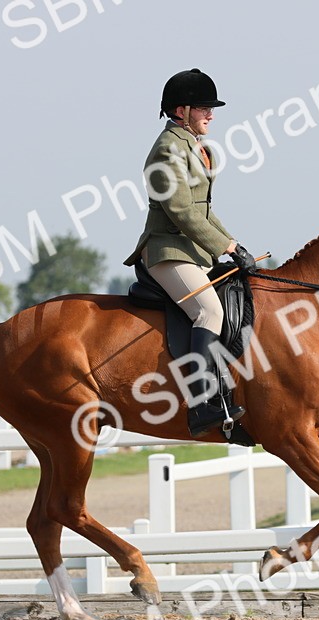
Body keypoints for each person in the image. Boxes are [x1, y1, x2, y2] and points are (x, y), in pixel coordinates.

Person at [124, 68, 256, 437]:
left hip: (194, 251)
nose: (211, 115)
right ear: (181, 111)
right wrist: (224, 246)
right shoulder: (167, 149)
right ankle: (202, 403)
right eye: (203, 108)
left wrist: (233, 243)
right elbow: (181, 210)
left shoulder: (195, 146)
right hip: (167, 250)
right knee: (209, 312)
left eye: (211, 109)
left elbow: (205, 210)